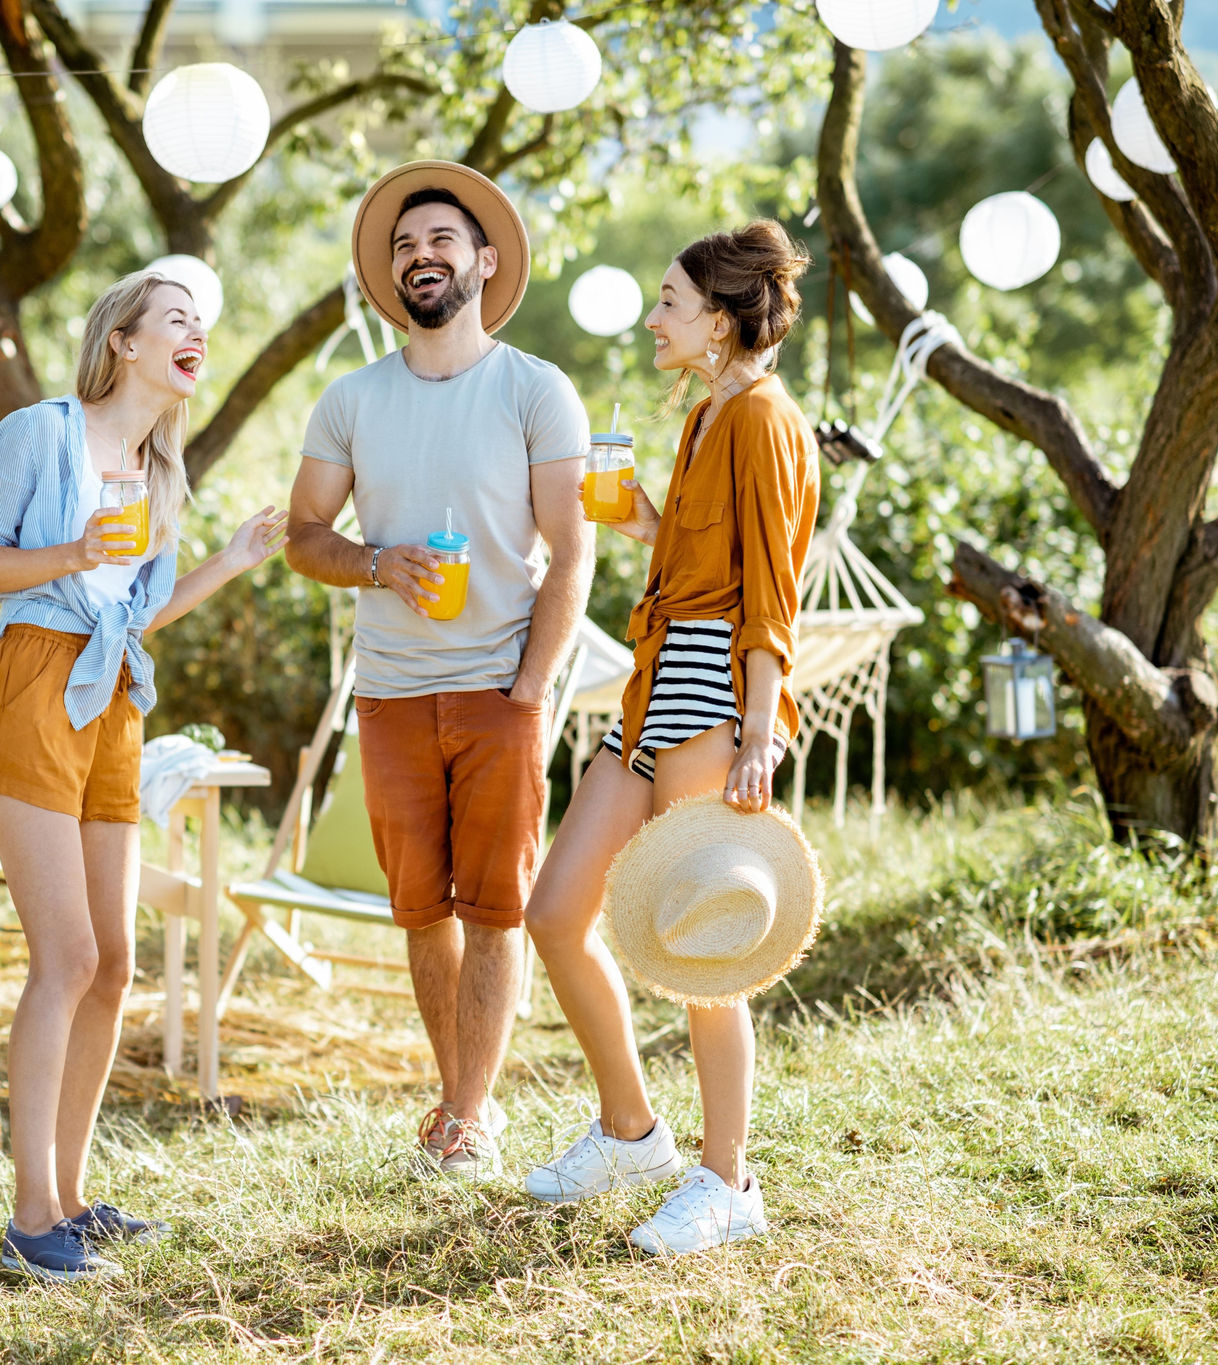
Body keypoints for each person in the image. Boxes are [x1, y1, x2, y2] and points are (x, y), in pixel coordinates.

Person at [0, 272, 287, 1282]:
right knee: (63, 957)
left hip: (113, 697)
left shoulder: (156, 467)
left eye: (200, 326)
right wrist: (69, 547)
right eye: (178, 321)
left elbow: (131, 612)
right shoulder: (40, 432)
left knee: (114, 964)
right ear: (125, 342)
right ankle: (27, 1220)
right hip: (34, 680)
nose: (197, 335)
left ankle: (68, 1195)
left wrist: (229, 561)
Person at [286, 162, 594, 1179]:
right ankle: (457, 1103)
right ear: (391, 273)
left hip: (497, 691)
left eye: (441, 241)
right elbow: (301, 535)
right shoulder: (351, 398)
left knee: (494, 910)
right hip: (389, 693)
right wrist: (374, 562)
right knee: (420, 910)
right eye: (405, 245)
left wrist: (531, 688)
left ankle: (469, 1116)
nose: (421, 255)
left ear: (482, 261)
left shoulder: (535, 389)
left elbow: (570, 551)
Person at [521, 221, 820, 1252]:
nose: (651, 318)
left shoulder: (763, 420)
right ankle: (629, 1130)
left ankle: (727, 1181)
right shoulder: (706, 417)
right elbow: (702, 556)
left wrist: (755, 732)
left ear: (722, 318)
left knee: (706, 954)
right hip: (653, 690)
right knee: (555, 911)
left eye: (667, 303)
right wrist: (649, 523)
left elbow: (771, 593)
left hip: (711, 702)